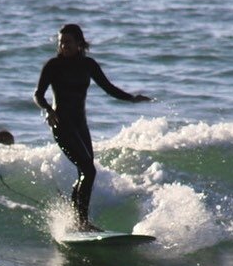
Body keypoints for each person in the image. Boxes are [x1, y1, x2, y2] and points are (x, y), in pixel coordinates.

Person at [33, 24, 150, 230]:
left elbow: (108, 87)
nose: (63, 45)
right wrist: (48, 111)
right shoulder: (52, 65)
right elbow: (38, 94)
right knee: (89, 170)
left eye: (67, 41)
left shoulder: (88, 65)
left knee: (84, 171)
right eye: (60, 42)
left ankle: (75, 220)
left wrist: (131, 98)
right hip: (61, 125)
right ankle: (82, 222)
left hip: (80, 126)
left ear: (79, 43)